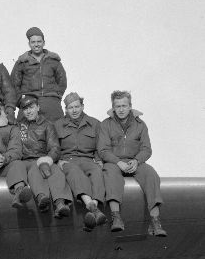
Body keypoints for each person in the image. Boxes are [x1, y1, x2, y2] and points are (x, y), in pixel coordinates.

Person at [97, 90, 166, 236]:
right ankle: (116, 218)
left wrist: (137, 160)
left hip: (135, 161)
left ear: (130, 106)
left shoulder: (140, 125)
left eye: (124, 106)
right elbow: (103, 150)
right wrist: (117, 162)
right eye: (118, 106)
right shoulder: (105, 124)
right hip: (114, 162)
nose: (121, 109)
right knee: (110, 174)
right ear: (113, 108)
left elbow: (146, 149)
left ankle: (155, 221)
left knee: (151, 174)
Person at [54, 92, 107, 231]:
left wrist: (99, 160)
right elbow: (54, 147)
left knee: (97, 172)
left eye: (77, 106)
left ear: (82, 106)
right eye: (70, 107)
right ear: (66, 109)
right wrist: (58, 161)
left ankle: (93, 206)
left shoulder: (95, 124)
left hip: (88, 160)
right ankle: (92, 207)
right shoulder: (58, 125)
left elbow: (100, 145)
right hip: (68, 160)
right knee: (74, 171)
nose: (74, 110)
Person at [18, 93, 73, 218]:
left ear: (38, 107)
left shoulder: (48, 125)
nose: (28, 111)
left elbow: (54, 147)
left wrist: (47, 160)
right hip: (27, 161)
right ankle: (42, 199)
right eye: (25, 109)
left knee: (56, 172)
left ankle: (60, 204)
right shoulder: (18, 126)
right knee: (34, 171)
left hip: (44, 159)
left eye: (31, 107)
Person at [11, 27, 67, 122]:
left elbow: (62, 81)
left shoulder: (53, 60)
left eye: (39, 41)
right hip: (28, 103)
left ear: (44, 43)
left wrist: (55, 97)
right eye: (33, 42)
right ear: (29, 44)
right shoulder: (22, 62)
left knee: (56, 128)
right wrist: (21, 102)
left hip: (51, 103)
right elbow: (13, 84)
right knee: (24, 129)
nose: (36, 44)